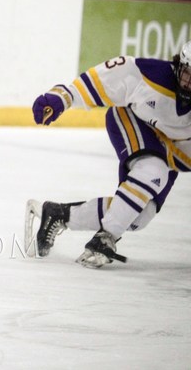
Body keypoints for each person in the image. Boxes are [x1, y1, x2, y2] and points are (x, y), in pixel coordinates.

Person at [26, 43, 191, 268]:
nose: (188, 83)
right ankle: (106, 237)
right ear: (179, 65)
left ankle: (59, 214)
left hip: (169, 151)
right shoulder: (152, 75)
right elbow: (111, 77)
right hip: (131, 119)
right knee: (153, 170)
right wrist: (65, 96)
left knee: (138, 217)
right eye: (187, 73)